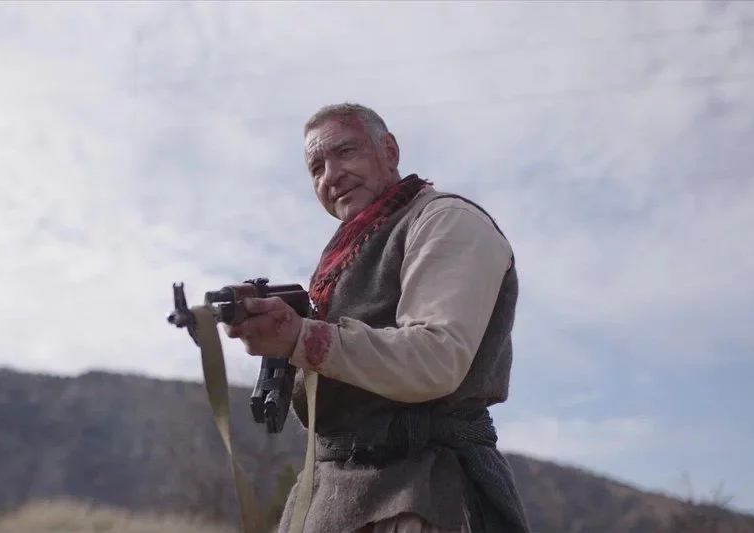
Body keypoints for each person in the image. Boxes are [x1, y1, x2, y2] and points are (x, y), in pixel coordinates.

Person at [224, 103, 531, 533]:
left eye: (345, 152)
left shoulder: (446, 221)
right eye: (316, 168)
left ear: (389, 152)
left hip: (420, 494)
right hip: (329, 496)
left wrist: (302, 338)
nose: (331, 175)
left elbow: (435, 359)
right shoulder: (345, 253)